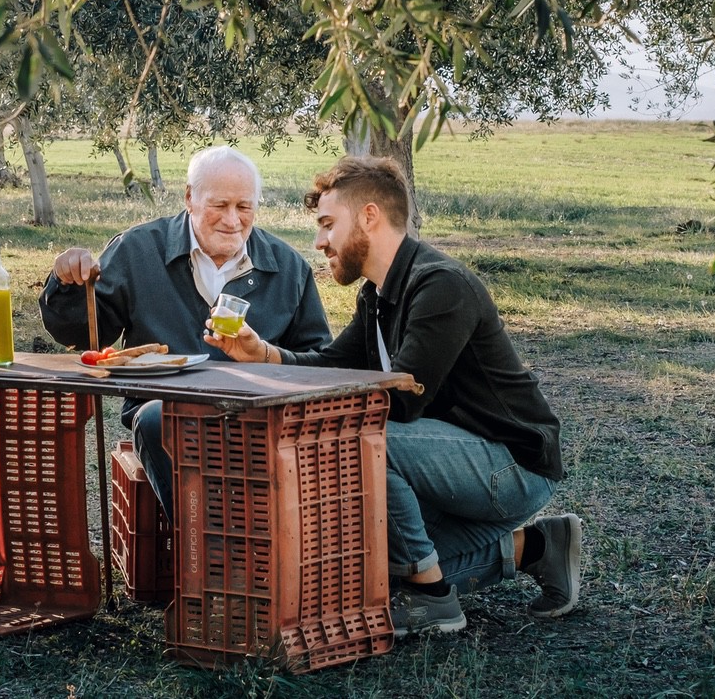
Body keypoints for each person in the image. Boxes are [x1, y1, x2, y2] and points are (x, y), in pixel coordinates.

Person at [208, 155, 581, 636]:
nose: (319, 241)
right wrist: (263, 354)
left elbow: (403, 401)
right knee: (365, 576)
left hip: (512, 465)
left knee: (357, 438)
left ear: (369, 216)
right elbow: (334, 364)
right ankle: (540, 547)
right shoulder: (377, 294)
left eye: (328, 224)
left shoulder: (441, 285)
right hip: (446, 459)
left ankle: (432, 598)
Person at [39, 144, 331, 510]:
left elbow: (320, 362)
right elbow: (83, 335)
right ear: (190, 198)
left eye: (244, 207)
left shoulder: (288, 267)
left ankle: (220, 537)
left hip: (257, 420)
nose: (232, 220)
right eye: (219, 205)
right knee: (158, 418)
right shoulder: (138, 250)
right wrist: (67, 285)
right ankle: (213, 539)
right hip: (166, 417)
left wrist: (267, 356)